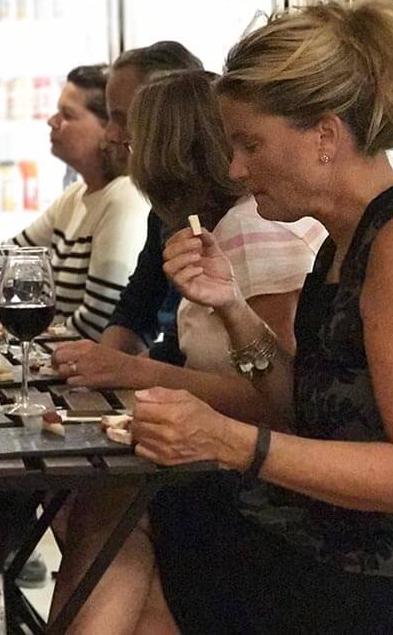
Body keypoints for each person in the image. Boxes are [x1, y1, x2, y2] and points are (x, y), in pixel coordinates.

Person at [144, 1, 393, 632]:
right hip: (328, 544)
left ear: (324, 135)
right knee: (141, 519)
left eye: (249, 143)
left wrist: (228, 441)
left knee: (139, 534)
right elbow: (309, 409)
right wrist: (232, 307)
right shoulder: (339, 242)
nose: (234, 169)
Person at [48, 68, 325, 634]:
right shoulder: (212, 229)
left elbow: (277, 396)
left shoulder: (255, 230)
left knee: (109, 507)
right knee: (110, 515)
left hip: (271, 476)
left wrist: (131, 369)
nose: (116, 138)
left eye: (129, 125)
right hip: (232, 456)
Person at [0, 64, 150, 341]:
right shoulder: (75, 196)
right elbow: (10, 257)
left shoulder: (124, 197)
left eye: (67, 114)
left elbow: (98, 323)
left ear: (105, 129)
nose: (52, 121)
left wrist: (24, 344)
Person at [97, 41, 204, 364]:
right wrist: (100, 364)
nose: (110, 135)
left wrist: (117, 370)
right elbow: (136, 307)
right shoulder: (165, 206)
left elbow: (181, 347)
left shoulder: (222, 209)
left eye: (122, 118)